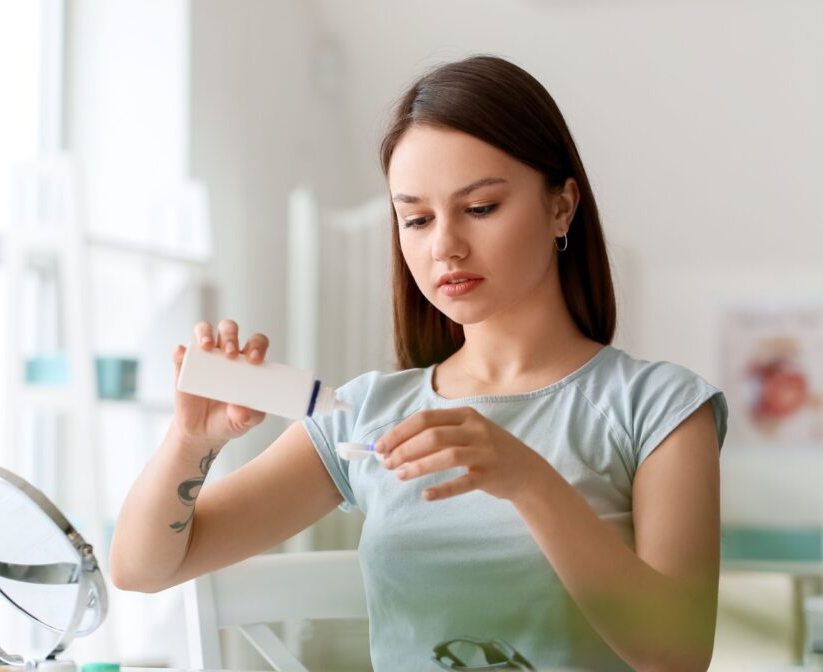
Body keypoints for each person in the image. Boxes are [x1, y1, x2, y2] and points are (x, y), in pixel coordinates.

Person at [110, 55, 728, 671]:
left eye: (480, 208)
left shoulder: (659, 410)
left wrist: (528, 480)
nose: (445, 246)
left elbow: (679, 654)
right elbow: (141, 568)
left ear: (561, 207)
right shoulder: (366, 415)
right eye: (417, 218)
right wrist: (192, 440)